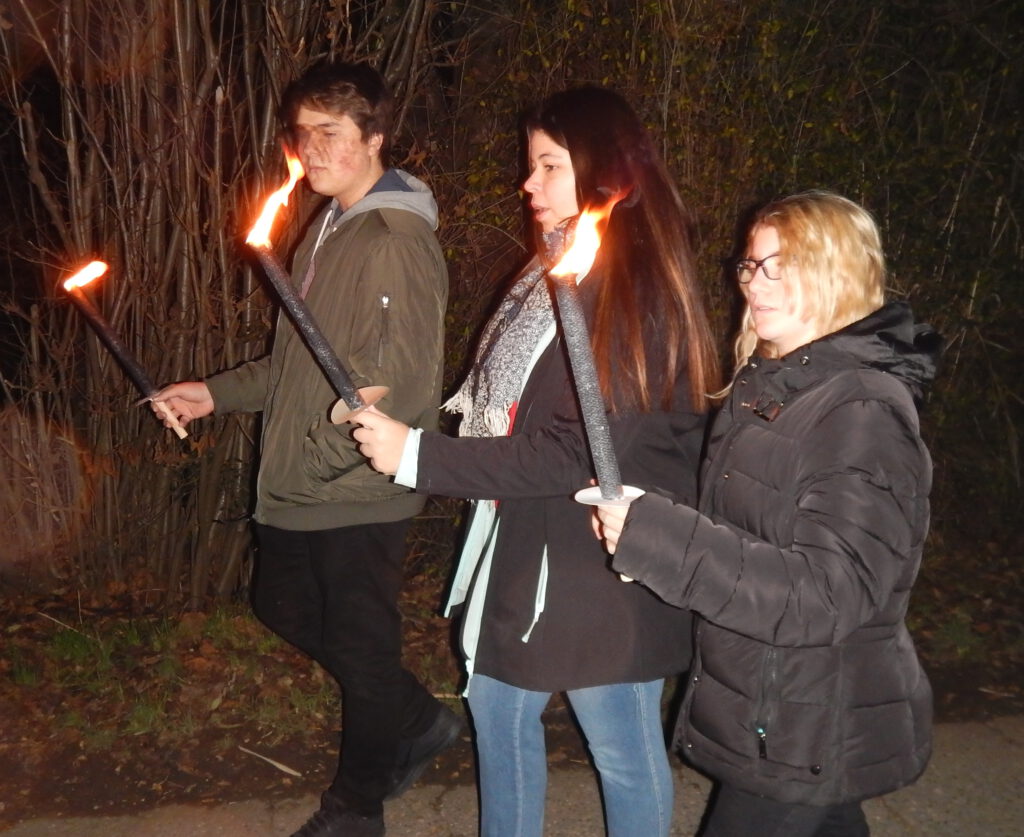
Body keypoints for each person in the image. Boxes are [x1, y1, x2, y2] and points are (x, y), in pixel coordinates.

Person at [352, 86, 720, 836]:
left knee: (618, 738)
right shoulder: (555, 272)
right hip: (529, 541)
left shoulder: (632, 291)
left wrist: (419, 455)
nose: (529, 184)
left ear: (603, 173)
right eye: (533, 165)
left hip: (600, 563)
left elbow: (576, 449)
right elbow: (514, 408)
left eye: (550, 165)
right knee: (497, 706)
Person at [152, 62, 455, 837]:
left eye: (330, 132)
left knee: (361, 646)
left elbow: (399, 382)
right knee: (281, 604)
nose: (310, 148)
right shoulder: (329, 227)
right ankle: (415, 717)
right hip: (304, 484)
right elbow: (298, 363)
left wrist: (318, 462)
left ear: (375, 137)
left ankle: (356, 809)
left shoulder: (394, 240)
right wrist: (214, 392)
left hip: (354, 488)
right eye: (302, 133)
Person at [595, 190, 939, 836]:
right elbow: (746, 526)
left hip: (806, 721)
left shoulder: (860, 410)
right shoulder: (770, 386)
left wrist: (660, 537)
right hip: (778, 704)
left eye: (781, 265)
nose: (755, 282)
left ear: (838, 272)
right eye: (752, 265)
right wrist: (649, 514)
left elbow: (827, 594)